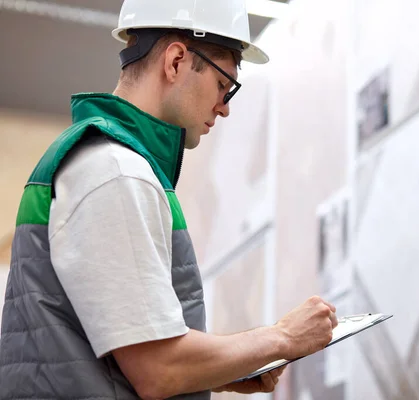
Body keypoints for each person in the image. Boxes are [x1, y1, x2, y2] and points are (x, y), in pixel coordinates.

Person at [0, 0, 338, 398]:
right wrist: (284, 337)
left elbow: (119, 354)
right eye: (223, 85)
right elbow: (157, 369)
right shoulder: (116, 170)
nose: (225, 108)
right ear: (176, 61)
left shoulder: (110, 164)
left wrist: (223, 369)